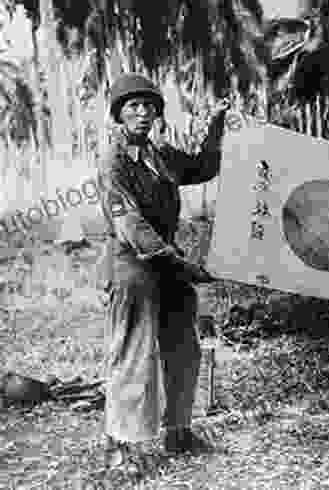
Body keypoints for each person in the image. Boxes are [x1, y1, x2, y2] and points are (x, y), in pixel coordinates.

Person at [98, 73, 227, 471]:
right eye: (133, 105)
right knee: (134, 352)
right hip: (133, 264)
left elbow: (204, 167)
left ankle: (178, 432)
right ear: (119, 113)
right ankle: (121, 447)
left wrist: (217, 123)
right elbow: (133, 228)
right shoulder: (113, 161)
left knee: (183, 348)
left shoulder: (161, 155)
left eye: (149, 105)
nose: (142, 111)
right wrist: (186, 266)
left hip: (167, 263)